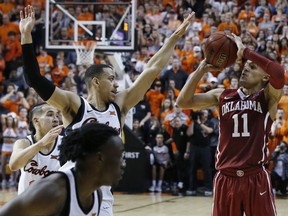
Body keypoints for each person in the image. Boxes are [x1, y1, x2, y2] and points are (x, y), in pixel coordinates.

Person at [19, 5, 195, 216]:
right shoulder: (74, 104)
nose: (116, 84)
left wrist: (176, 36)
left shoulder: (119, 105)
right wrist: (26, 36)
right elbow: (34, 80)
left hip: (103, 191)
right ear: (95, 81)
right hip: (74, 181)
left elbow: (153, 68)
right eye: (111, 79)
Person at [176, 33, 285, 216]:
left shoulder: (268, 98)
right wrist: (202, 69)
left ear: (265, 78)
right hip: (226, 178)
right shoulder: (222, 95)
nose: (245, 69)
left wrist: (246, 52)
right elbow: (183, 102)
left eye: (252, 67)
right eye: (245, 66)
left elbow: (278, 73)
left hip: (255, 176)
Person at [0, 123, 124, 216]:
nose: (123, 164)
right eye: (118, 157)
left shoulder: (96, 194)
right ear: (100, 158)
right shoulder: (53, 191)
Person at [9, 103, 63, 194]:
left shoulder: (64, 143)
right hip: (27, 203)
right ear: (36, 121)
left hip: (54, 203)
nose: (56, 119)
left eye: (57, 115)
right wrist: (41, 143)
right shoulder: (24, 143)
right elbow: (13, 165)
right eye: (50, 115)